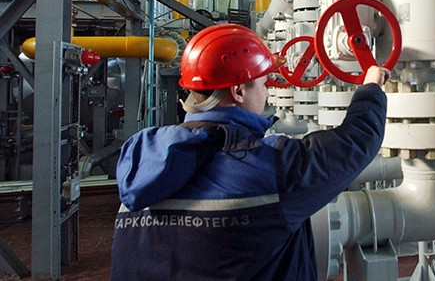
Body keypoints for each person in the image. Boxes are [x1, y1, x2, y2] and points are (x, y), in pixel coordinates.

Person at [110, 23, 390, 281]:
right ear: (238, 91)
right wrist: (371, 87)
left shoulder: (145, 160)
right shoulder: (264, 168)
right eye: (264, 84)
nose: (267, 94)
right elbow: (355, 143)